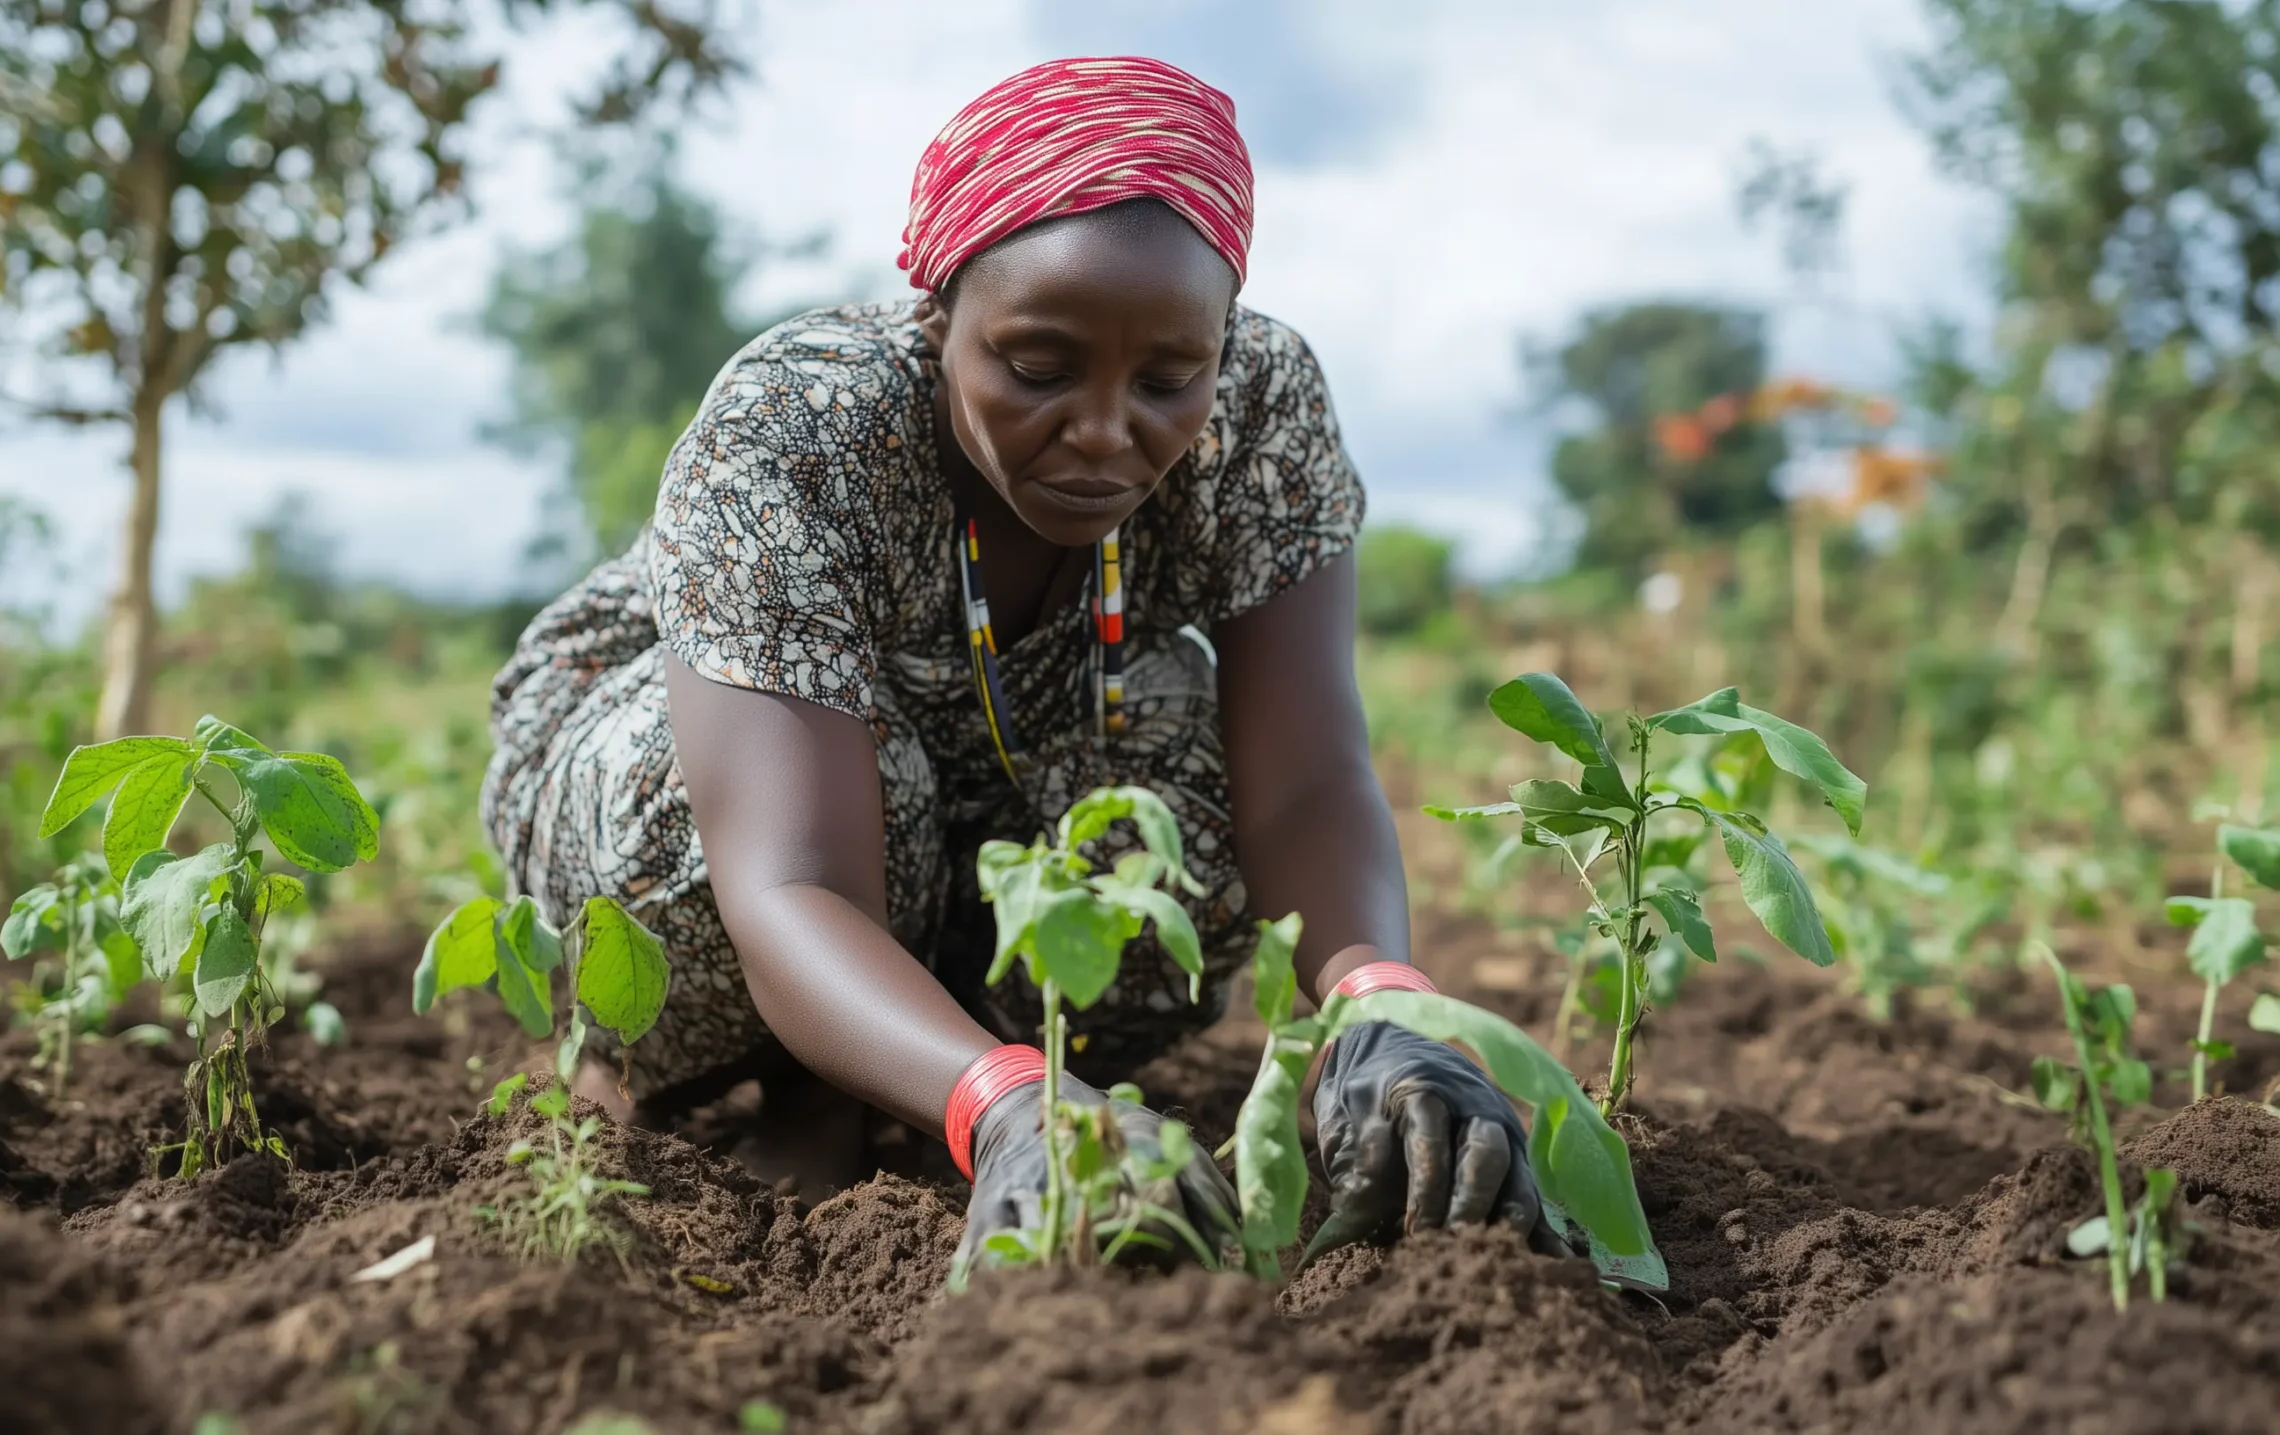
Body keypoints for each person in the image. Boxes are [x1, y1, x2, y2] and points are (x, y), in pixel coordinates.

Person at [483, 55, 1559, 1267]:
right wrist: (1004, 1103)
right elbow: (790, 879)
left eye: (1168, 379)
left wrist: (1385, 1005)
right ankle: (775, 1074)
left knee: (1178, 808)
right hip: (713, 768)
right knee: (755, 803)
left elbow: (1305, 784)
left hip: (1015, 739)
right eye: (1038, 369)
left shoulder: (1263, 410)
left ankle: (917, 1060)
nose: (1106, 431)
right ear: (938, 317)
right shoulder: (796, 429)